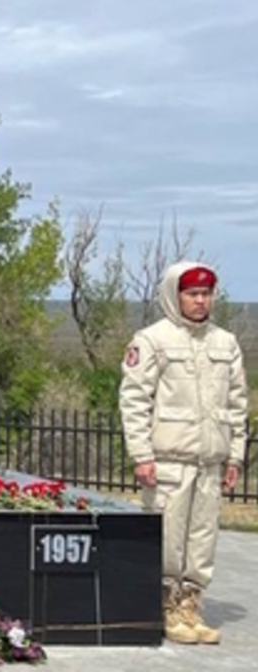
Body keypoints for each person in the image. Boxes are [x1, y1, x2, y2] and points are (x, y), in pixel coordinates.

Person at [119, 261, 248, 646]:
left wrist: (235, 456)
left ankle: (190, 605)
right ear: (175, 296)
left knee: (203, 538)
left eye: (206, 293)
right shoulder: (152, 340)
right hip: (168, 460)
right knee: (168, 536)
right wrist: (141, 454)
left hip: (209, 461)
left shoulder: (225, 343)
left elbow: (237, 404)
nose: (200, 300)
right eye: (192, 293)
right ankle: (164, 605)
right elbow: (134, 400)